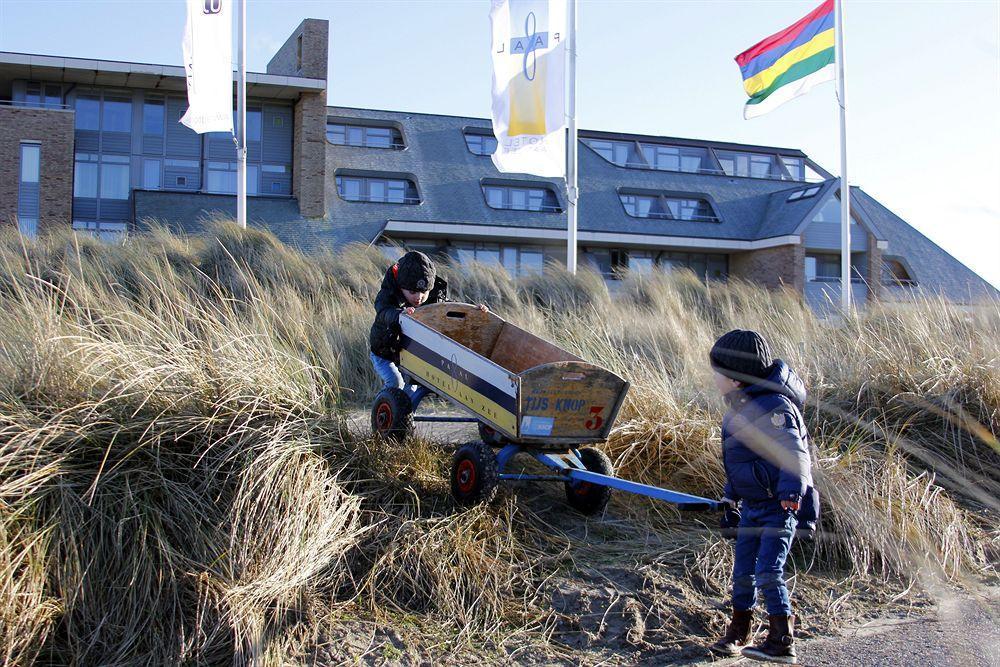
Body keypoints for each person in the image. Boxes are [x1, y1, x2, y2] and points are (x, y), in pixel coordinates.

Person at [707, 329, 813, 665]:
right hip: (751, 507)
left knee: (769, 571)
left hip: (779, 508)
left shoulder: (774, 408)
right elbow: (737, 464)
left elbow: (795, 454)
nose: (716, 380)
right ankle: (740, 630)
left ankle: (782, 639)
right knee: (742, 572)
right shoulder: (740, 407)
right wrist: (730, 500)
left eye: (719, 375)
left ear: (737, 378)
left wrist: (790, 493)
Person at [369, 250, 487, 410]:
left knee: (410, 388)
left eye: (424, 292)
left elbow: (449, 310)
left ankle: (402, 422)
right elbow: (383, 312)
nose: (418, 297)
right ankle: (381, 411)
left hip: (409, 353)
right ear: (401, 287)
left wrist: (474, 311)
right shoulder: (388, 295)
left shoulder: (433, 295)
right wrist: (398, 314)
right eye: (412, 292)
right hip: (384, 351)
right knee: (395, 382)